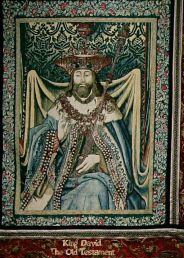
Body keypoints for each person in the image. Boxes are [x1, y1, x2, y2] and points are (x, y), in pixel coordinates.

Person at [20, 53, 147, 213]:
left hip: (98, 175)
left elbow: (122, 148)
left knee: (94, 189)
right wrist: (57, 137)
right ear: (72, 79)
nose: (82, 80)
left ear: (93, 78)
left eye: (87, 75)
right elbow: (39, 142)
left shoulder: (107, 106)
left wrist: (100, 159)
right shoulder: (60, 107)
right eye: (78, 75)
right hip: (64, 179)